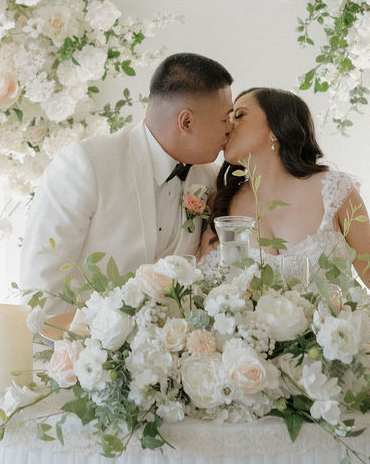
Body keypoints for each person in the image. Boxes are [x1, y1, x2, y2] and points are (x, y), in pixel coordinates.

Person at [199, 87, 370, 316]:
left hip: (337, 347)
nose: (228, 125)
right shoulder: (220, 203)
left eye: (239, 115)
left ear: (276, 130)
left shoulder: (334, 190)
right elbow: (205, 291)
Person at [20, 52, 233, 322]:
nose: (230, 129)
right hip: (83, 347)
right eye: (225, 119)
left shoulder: (209, 177)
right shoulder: (86, 165)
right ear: (186, 122)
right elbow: (41, 286)